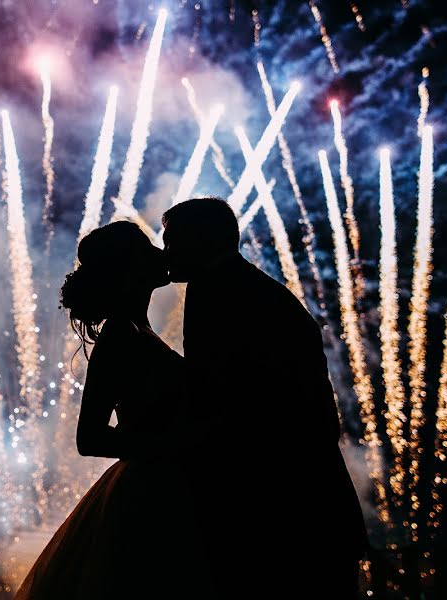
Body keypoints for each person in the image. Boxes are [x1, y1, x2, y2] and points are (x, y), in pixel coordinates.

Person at [162, 197, 369, 597]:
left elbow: (221, 397)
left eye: (173, 242)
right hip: (306, 499)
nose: (165, 253)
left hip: (278, 506)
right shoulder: (247, 287)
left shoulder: (217, 293)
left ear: (200, 240)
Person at [14, 221, 209, 599]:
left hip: (163, 482)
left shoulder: (136, 329)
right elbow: (89, 438)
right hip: (153, 493)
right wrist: (175, 441)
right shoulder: (121, 337)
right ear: (129, 269)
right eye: (147, 250)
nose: (160, 254)